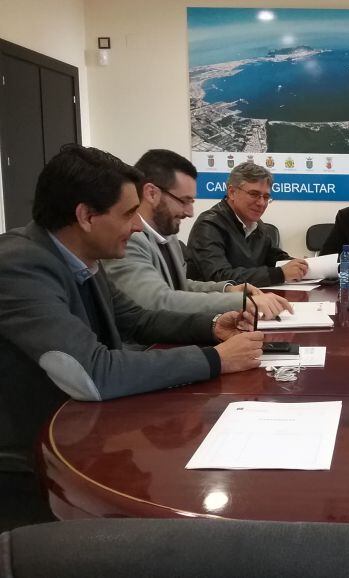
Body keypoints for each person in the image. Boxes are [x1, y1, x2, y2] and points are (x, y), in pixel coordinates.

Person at [0, 145, 264, 530]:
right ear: (86, 216)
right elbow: (93, 373)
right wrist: (217, 360)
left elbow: (138, 320)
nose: (139, 226)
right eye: (128, 214)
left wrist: (211, 328)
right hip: (32, 468)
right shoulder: (20, 266)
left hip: (81, 430)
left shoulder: (82, 257)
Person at [103, 149, 291, 318]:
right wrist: (241, 302)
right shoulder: (129, 240)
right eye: (184, 201)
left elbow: (179, 286)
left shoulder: (168, 236)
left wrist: (228, 290)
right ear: (152, 193)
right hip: (146, 349)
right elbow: (158, 301)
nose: (190, 212)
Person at [187, 162, 308, 286]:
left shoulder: (257, 224)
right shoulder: (208, 225)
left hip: (248, 299)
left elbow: (274, 257)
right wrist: (280, 274)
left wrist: (301, 265)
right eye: (254, 194)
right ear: (232, 192)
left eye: (266, 197)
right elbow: (220, 278)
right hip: (215, 303)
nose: (261, 203)